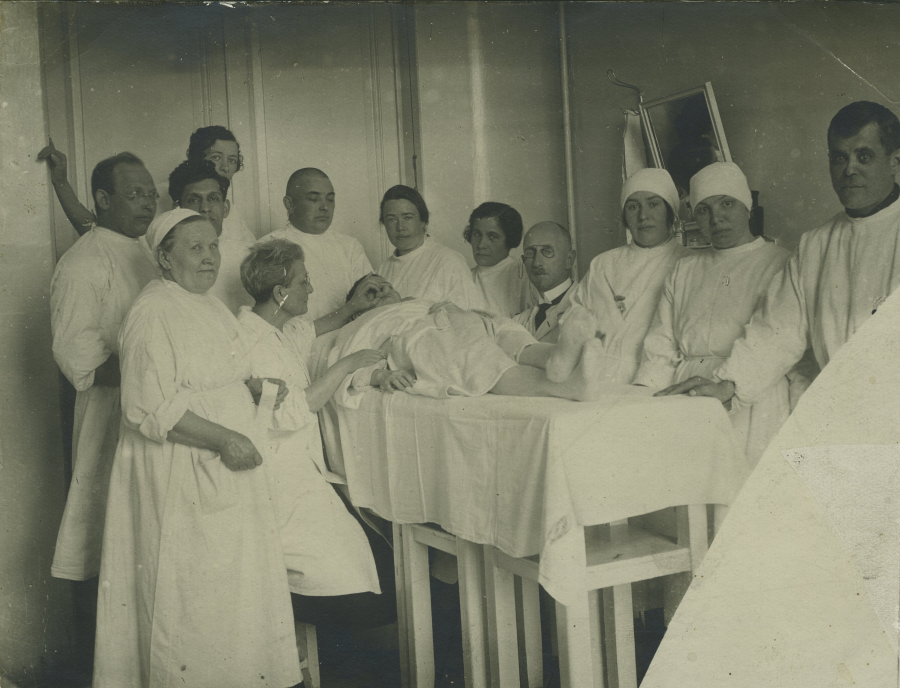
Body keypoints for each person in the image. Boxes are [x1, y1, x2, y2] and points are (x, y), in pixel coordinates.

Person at [94, 209, 300, 688]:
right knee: (190, 600)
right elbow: (147, 406)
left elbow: (216, 373)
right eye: (195, 248)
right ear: (165, 258)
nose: (209, 258)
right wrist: (226, 437)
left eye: (212, 246)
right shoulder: (152, 311)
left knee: (229, 598)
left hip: (222, 471)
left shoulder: (208, 304)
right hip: (180, 472)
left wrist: (250, 388)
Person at [660, 101, 900, 420]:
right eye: (839, 158)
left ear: (895, 161)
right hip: (840, 413)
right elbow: (778, 330)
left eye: (864, 156)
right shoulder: (815, 244)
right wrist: (728, 385)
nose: (849, 169)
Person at [634, 162, 792, 465]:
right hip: (687, 393)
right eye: (703, 210)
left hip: (753, 397)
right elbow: (661, 342)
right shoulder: (685, 269)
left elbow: (778, 339)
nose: (716, 217)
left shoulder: (780, 263)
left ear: (747, 206)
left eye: (726, 203)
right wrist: (647, 398)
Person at [50, 152, 159, 583]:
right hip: (111, 413)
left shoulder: (148, 250)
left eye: (151, 194)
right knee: (108, 540)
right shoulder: (83, 262)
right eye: (135, 194)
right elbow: (78, 357)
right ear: (103, 199)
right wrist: (155, 374)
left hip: (156, 409)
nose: (147, 203)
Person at [327, 289, 609, 405]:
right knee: (476, 357)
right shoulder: (369, 323)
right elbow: (351, 367)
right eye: (372, 291)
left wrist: (459, 313)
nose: (383, 291)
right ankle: (565, 386)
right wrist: (380, 375)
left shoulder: (420, 302)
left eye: (386, 285)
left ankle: (553, 357)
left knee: (505, 330)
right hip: (420, 338)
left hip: (460, 320)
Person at [569, 168, 691, 384]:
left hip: (656, 382)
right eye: (633, 207)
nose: (643, 216)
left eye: (653, 204)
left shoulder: (688, 263)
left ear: (670, 211)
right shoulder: (603, 264)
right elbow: (574, 317)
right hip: (595, 378)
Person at [37, 125, 256, 244]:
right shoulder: (154, 196)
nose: (225, 167)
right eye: (216, 157)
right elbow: (95, 230)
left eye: (232, 160)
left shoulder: (230, 211)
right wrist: (61, 182)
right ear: (195, 158)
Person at [263, 168, 384, 325]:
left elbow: (371, 304)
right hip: (295, 339)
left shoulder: (350, 247)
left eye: (330, 199)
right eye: (314, 199)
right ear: (290, 204)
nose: (324, 207)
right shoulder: (268, 248)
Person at [376, 185, 485, 309]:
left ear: (423, 221)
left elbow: (469, 316)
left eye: (407, 218)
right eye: (391, 220)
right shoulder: (382, 270)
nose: (400, 227)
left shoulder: (449, 261)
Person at [168, 159, 254, 313]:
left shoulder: (250, 256)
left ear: (225, 207)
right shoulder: (169, 260)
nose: (205, 208)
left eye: (213, 199)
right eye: (194, 200)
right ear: (177, 210)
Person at [465, 201, 536, 317]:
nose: (481, 245)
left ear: (509, 239)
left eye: (493, 236)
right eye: (477, 234)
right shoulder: (464, 277)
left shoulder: (524, 275)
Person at [513, 221, 576, 342]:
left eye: (547, 251)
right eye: (530, 253)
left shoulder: (588, 308)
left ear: (569, 260)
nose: (536, 263)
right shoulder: (519, 322)